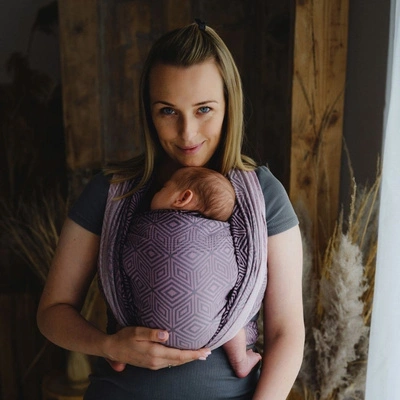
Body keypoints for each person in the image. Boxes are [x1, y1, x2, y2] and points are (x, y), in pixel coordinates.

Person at [37, 20, 304, 400]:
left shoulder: (264, 195)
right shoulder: (110, 192)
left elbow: (286, 332)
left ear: (229, 105)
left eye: (204, 109)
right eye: (168, 111)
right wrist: (108, 345)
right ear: (149, 112)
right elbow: (52, 312)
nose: (187, 133)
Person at [150, 165, 262, 378]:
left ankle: (119, 353)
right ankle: (240, 360)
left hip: (150, 326)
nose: (156, 192)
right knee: (233, 314)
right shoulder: (223, 237)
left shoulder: (148, 227)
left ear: (183, 198)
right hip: (208, 327)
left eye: (163, 188)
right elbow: (236, 277)